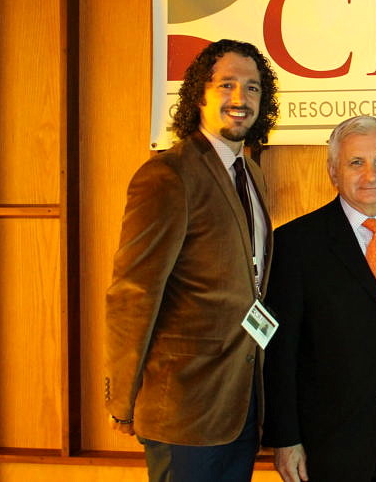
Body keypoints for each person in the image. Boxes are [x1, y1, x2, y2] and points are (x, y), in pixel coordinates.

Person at [105, 39, 279, 481]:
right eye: (227, 85)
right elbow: (133, 293)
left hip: (240, 402)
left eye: (253, 87)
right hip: (183, 408)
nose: (241, 99)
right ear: (199, 95)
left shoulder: (251, 173)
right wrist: (123, 399)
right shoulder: (167, 175)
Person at [262, 116, 376, 482]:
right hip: (328, 442)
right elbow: (280, 351)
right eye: (357, 162)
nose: (372, 174)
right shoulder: (296, 243)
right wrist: (286, 439)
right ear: (333, 171)